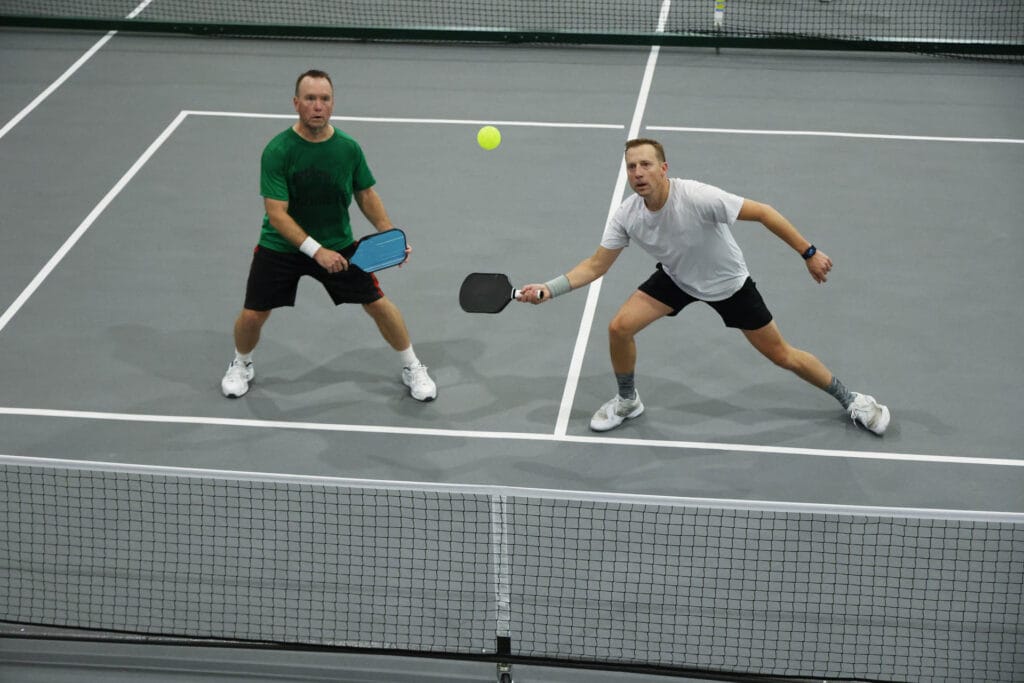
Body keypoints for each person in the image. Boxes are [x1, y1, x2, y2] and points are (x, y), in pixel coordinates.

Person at [519, 138, 889, 435]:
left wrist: (808, 252)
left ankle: (852, 398)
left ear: (664, 169)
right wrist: (550, 288)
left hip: (728, 284)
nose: (638, 172)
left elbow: (763, 212)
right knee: (619, 328)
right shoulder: (627, 215)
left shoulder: (697, 197)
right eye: (631, 166)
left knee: (782, 355)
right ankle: (628, 401)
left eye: (646, 164)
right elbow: (596, 265)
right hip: (678, 277)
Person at [220, 69, 436, 402]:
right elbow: (277, 214)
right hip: (283, 247)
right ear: (296, 103)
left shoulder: (348, 148)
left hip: (338, 245)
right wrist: (315, 251)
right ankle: (241, 362)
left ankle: (412, 366)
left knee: (377, 304)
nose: (317, 106)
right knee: (253, 313)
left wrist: (388, 233)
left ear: (332, 104)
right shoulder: (278, 151)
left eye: (324, 99)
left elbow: (365, 194)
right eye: (310, 99)